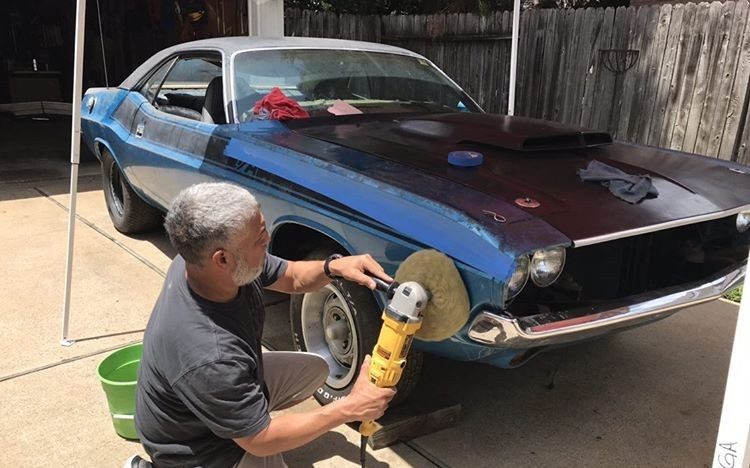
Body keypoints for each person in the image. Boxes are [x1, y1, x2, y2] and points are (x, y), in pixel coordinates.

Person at [131, 182, 395, 468]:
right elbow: (261, 440)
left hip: (208, 398)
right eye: (259, 238)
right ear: (222, 259)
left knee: (316, 369)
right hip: (200, 450)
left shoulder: (204, 264)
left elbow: (292, 276)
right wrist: (349, 408)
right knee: (262, 440)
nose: (268, 239)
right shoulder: (210, 356)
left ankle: (239, 414)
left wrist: (333, 268)